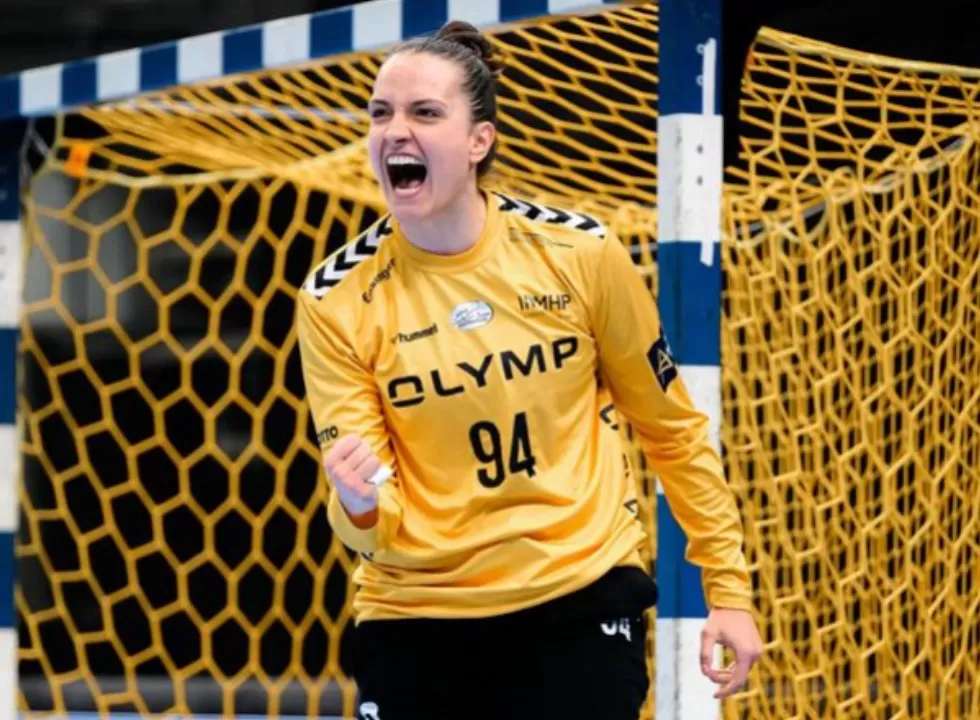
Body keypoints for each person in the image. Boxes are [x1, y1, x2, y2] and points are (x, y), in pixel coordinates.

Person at [295, 20, 763, 720]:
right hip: (418, 615)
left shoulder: (578, 253)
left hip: (576, 602)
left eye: (425, 113)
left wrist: (727, 589)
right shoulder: (335, 299)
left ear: (479, 140)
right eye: (380, 113)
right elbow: (372, 527)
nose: (395, 131)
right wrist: (357, 502)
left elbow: (672, 430)